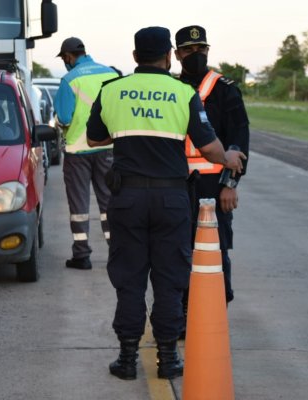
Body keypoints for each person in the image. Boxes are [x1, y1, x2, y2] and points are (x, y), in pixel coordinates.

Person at [86, 26, 247, 380]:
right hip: (172, 200)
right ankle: (168, 359)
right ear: (169, 56)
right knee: (169, 279)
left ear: (134, 57)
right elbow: (208, 146)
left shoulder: (112, 90)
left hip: (126, 199)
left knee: (129, 278)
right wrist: (230, 159)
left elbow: (94, 136)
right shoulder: (182, 92)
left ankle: (127, 360)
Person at [175, 25, 250, 324]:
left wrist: (230, 184)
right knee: (180, 252)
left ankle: (215, 312)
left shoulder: (226, 89)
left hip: (213, 187)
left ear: (208, 51)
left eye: (201, 49)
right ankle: (184, 312)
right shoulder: (172, 89)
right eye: (189, 50)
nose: (196, 55)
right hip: (178, 186)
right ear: (177, 54)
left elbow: (239, 141)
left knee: (216, 252)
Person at [54, 37, 119, 270]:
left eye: (64, 59)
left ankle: (81, 255)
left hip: (77, 152)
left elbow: (64, 118)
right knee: (110, 203)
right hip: (108, 148)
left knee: (79, 206)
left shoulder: (69, 80)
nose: (64, 62)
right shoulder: (111, 73)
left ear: (69, 56)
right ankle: (117, 252)